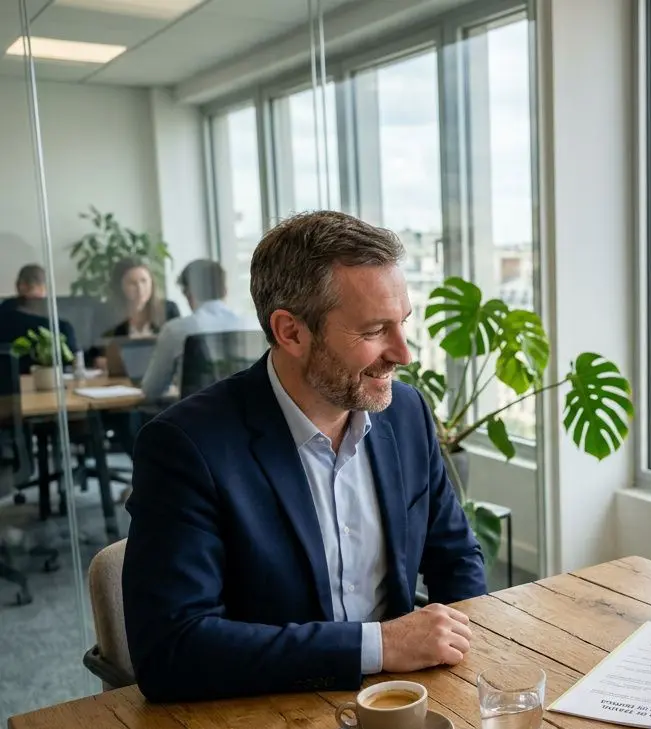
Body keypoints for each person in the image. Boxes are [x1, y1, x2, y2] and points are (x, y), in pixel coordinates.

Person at [122, 211, 486, 702]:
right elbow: (171, 650)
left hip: (403, 702)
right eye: (375, 330)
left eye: (402, 324)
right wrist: (378, 646)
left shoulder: (406, 412)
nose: (404, 353)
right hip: (264, 714)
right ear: (290, 332)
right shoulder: (187, 446)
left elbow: (456, 554)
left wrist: (457, 657)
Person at [138, 259, 253, 402]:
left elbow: (151, 389)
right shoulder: (251, 324)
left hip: (197, 419)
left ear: (188, 293)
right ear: (225, 290)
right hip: (250, 419)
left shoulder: (175, 330)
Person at [88, 257, 180, 369]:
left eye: (144, 281)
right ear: (120, 286)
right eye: (132, 283)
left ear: (152, 282)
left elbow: (180, 350)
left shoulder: (168, 309)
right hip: (119, 382)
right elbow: (94, 356)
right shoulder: (106, 314)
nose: (140, 289)